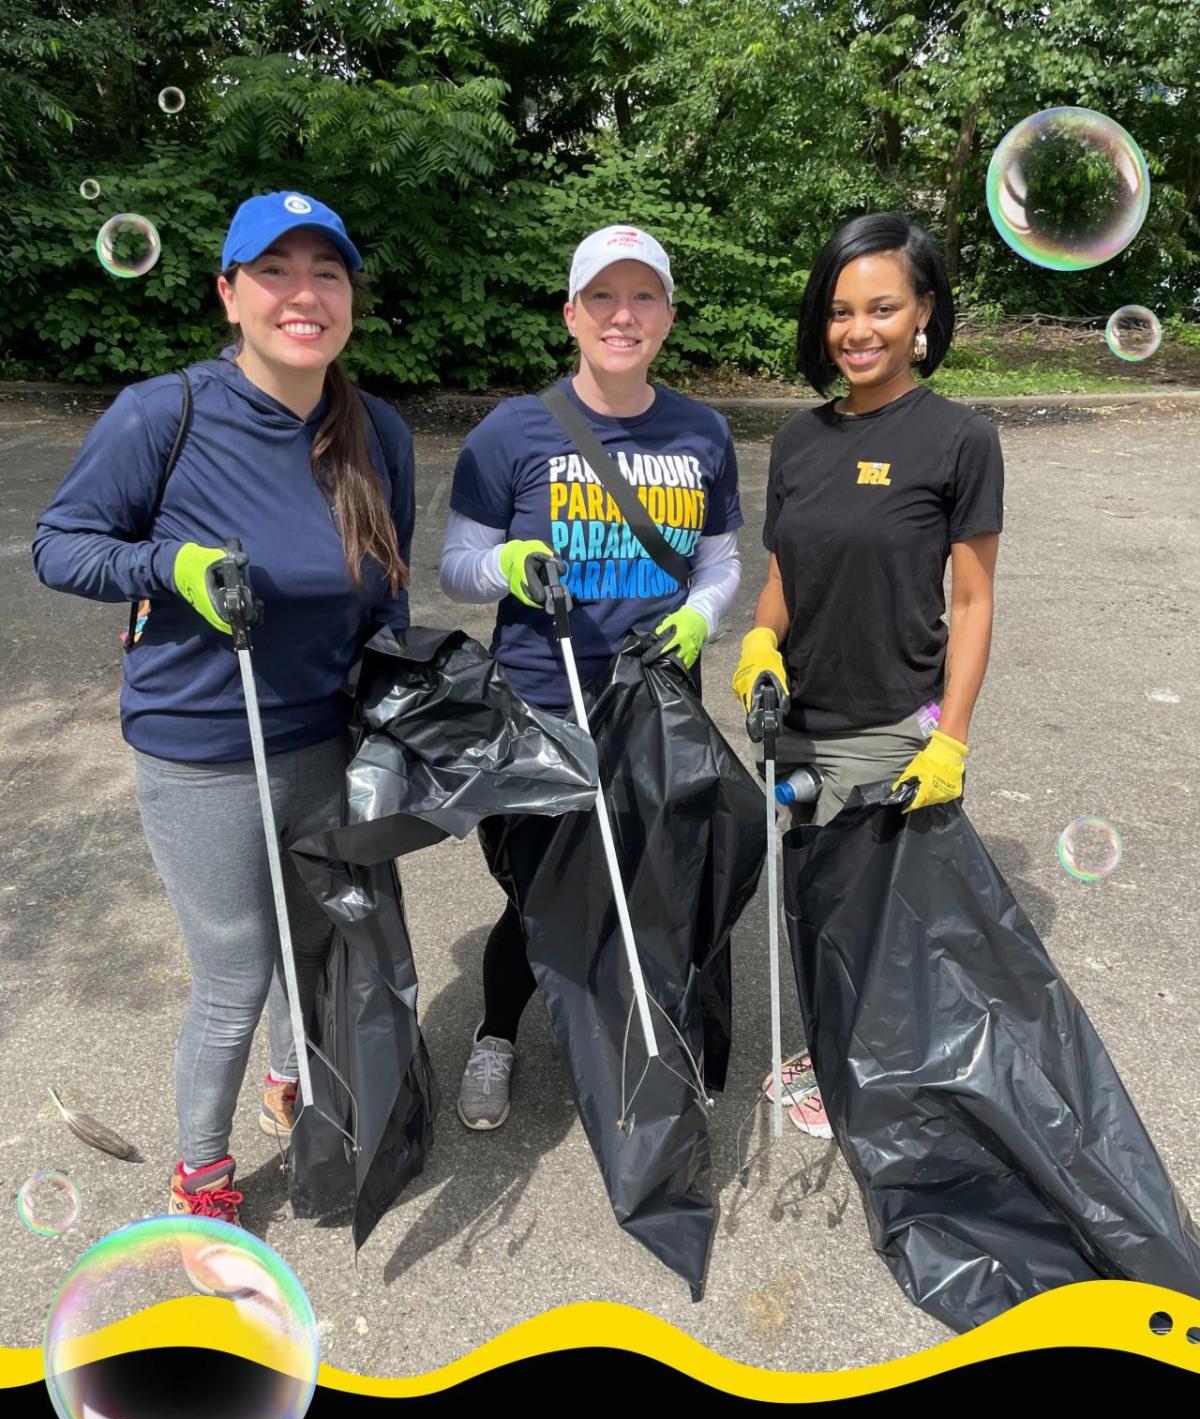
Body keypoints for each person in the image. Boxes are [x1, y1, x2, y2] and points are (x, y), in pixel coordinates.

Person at [33, 191, 416, 1221]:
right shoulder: (167, 413)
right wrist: (175, 565)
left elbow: (391, 589)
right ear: (230, 294)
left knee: (315, 943)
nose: (304, 294)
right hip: (200, 746)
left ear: (350, 299)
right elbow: (59, 545)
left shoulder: (376, 429)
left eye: (326, 273)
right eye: (275, 272)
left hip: (325, 739)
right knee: (239, 967)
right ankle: (200, 1168)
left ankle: (295, 1084)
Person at [440, 224, 743, 1129]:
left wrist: (701, 617)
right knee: (542, 893)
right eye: (602, 297)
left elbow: (723, 564)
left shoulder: (703, 430)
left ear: (668, 316)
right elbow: (457, 563)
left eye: (643, 296)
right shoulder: (511, 432)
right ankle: (497, 1034)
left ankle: (644, 1036)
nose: (623, 315)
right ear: (571, 314)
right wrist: (509, 564)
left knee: (654, 884)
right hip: (541, 702)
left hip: (656, 705)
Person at [733, 211, 1003, 1135]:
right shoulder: (801, 440)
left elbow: (971, 602)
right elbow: (782, 574)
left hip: (894, 724)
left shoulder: (959, 440)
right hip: (797, 719)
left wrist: (953, 737)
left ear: (923, 311)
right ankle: (832, 1051)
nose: (858, 330)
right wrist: (760, 640)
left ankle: (886, 1080)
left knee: (888, 925)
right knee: (814, 905)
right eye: (841, 310)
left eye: (882, 307)